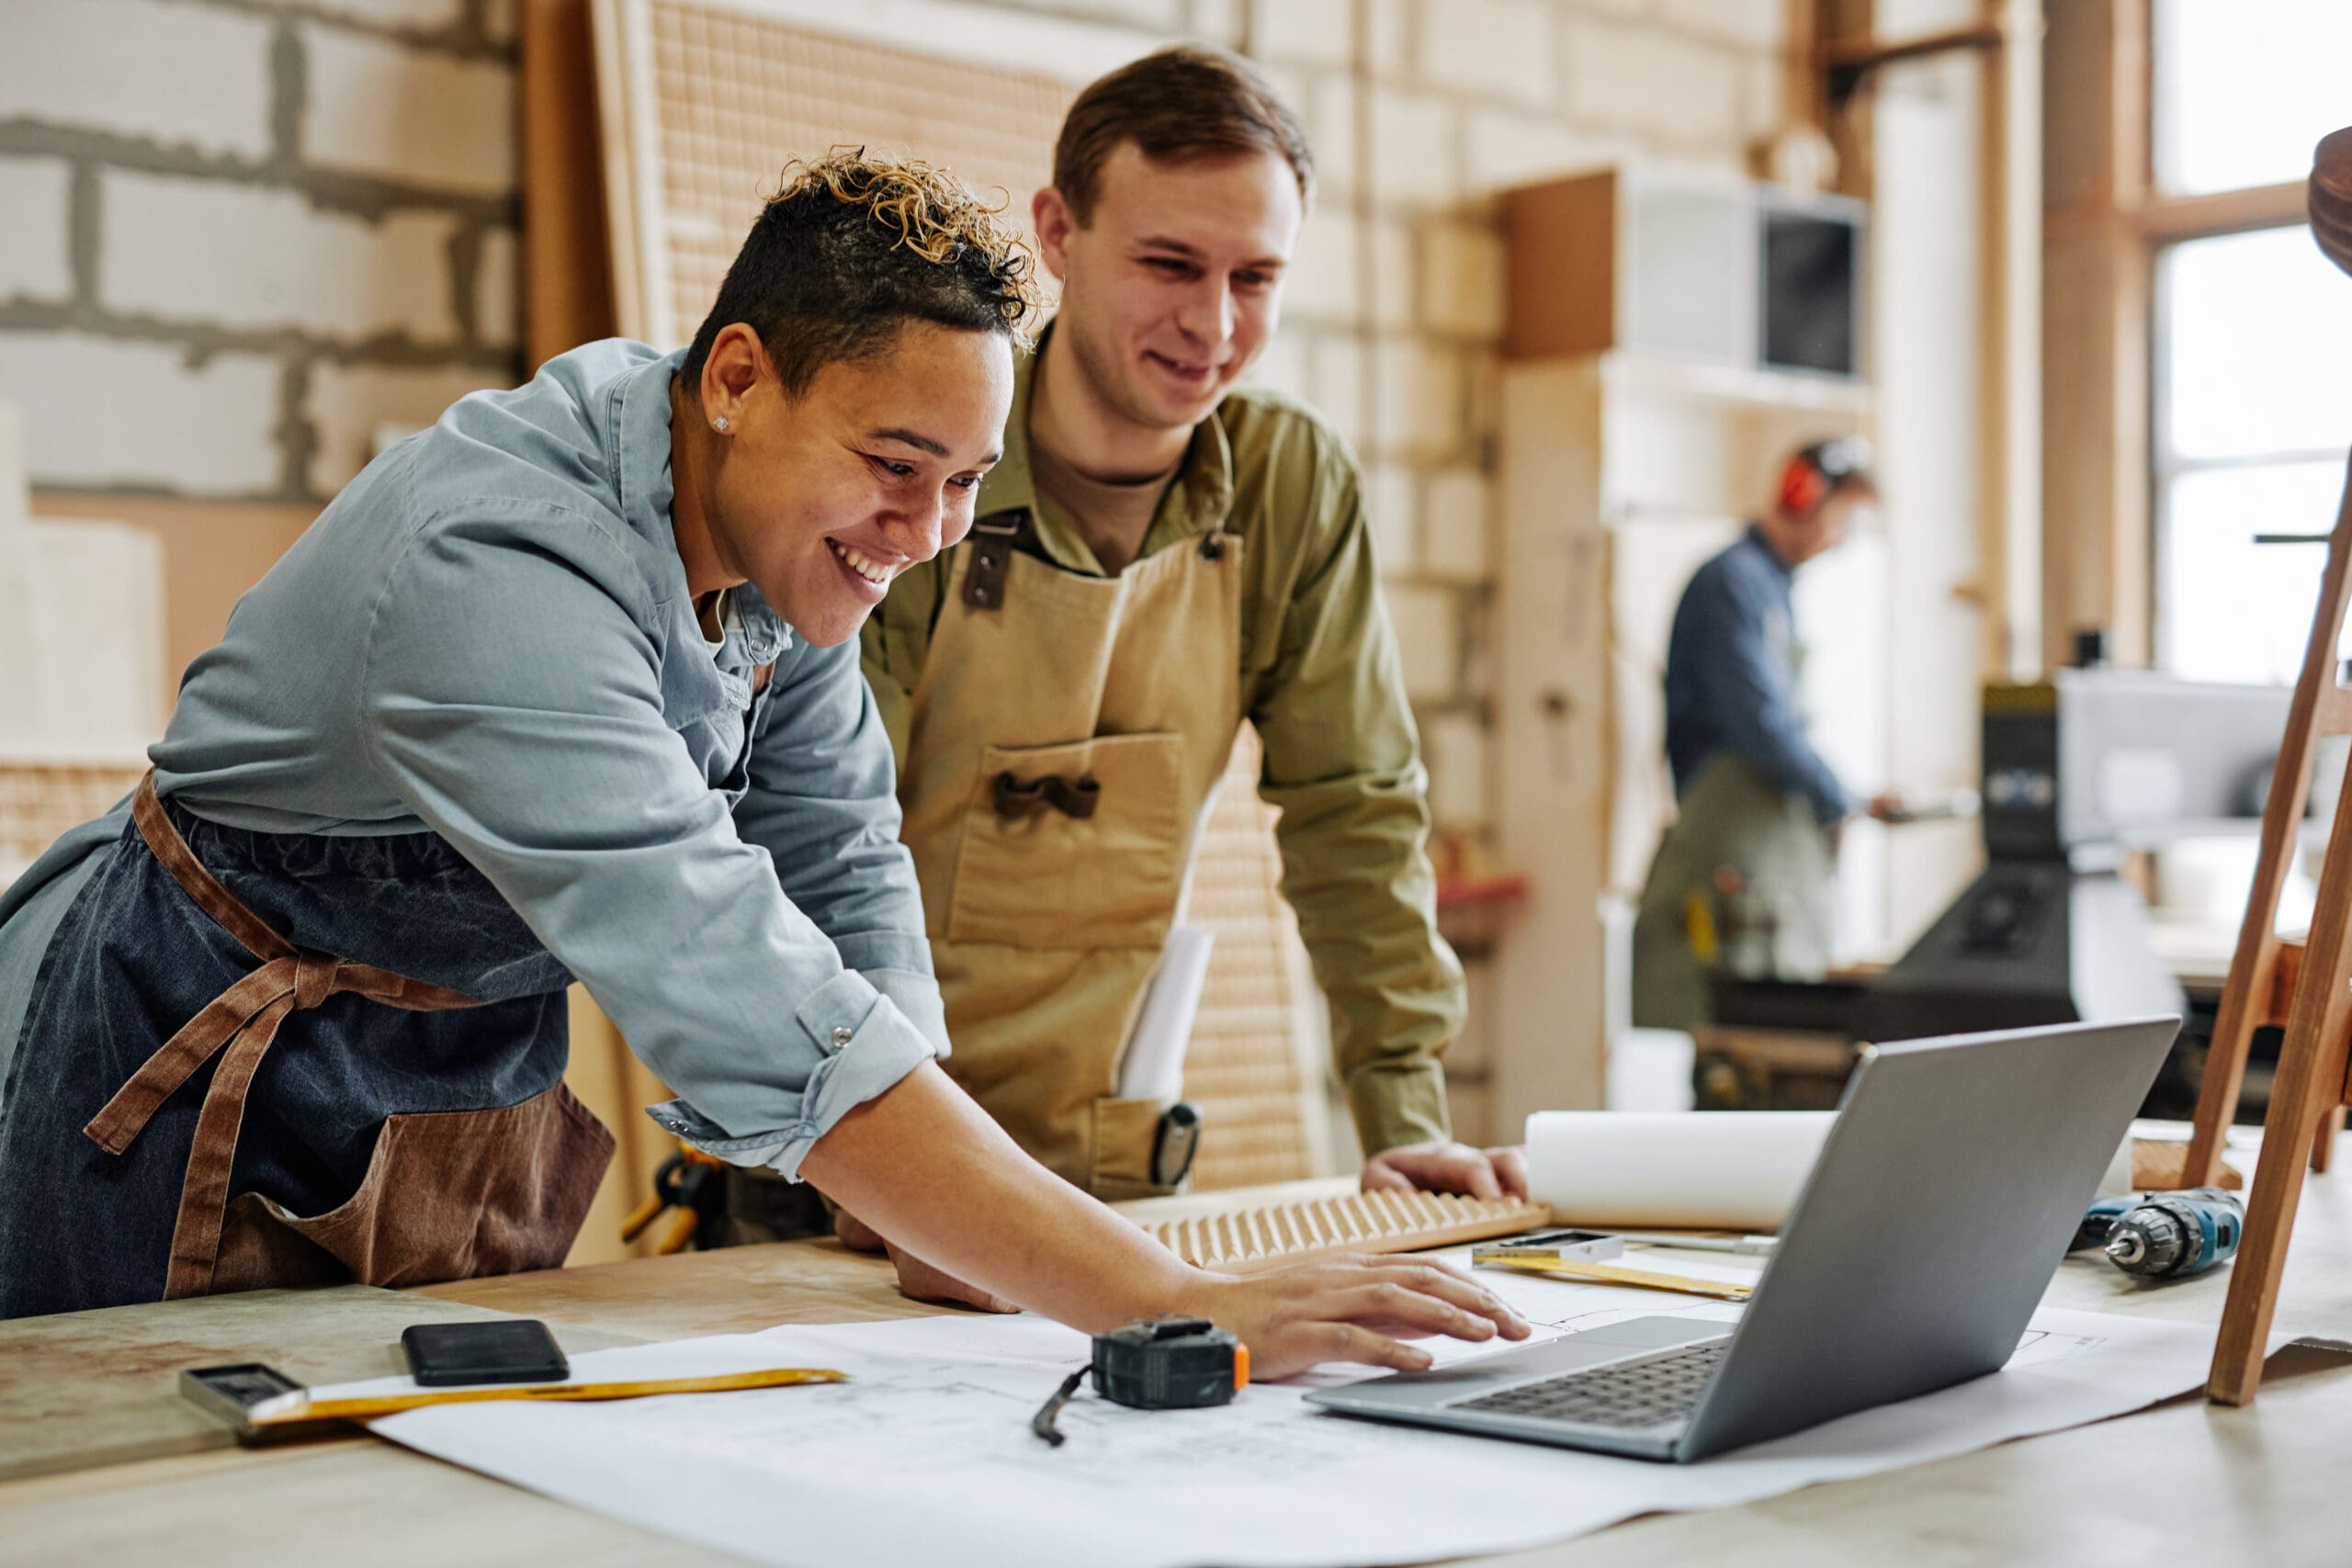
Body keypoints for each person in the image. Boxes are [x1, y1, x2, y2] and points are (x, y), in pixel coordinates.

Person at [0, 150, 1526, 1376]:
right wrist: (1173, 1300)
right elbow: (729, 969)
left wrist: (929, 1211)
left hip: (441, 1086)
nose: (925, 538)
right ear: (739, 375)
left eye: (964, 484)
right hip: (198, 1070)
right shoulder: (504, 567)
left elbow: (843, 847)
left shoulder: (763, 533)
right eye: (892, 468)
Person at [740, 47, 1521, 1309]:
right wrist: (874, 1154)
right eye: (1170, 265)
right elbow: (814, 834)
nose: (1212, 326)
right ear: (1058, 232)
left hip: (1109, 1175)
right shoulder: (933, 463)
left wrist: (1405, 1111)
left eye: (1254, 277)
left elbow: (1355, 808)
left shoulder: (1287, 485)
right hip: (843, 1173)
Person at [1630, 436, 1901, 1033]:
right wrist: (1839, 797)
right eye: (1843, 520)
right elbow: (1760, 724)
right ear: (1803, 495)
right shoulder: (1733, 583)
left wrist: (1851, 798)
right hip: (1729, 855)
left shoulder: (1770, 589)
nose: (1840, 541)